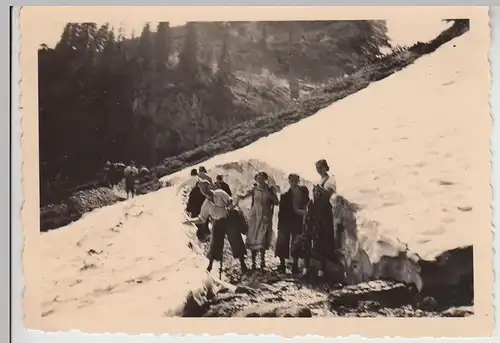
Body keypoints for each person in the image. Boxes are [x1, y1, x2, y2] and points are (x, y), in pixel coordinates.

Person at [183, 180, 248, 276]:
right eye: (201, 189)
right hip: (217, 222)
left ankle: (243, 264)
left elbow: (230, 201)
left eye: (205, 188)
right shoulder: (206, 204)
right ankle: (210, 267)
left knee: (235, 239)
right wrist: (189, 221)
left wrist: (229, 207)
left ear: (209, 187)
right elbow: (201, 219)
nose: (204, 191)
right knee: (214, 244)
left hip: (228, 218)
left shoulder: (220, 193)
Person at [302, 159, 337, 278]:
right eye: (317, 168)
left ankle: (322, 268)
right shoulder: (317, 180)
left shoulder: (331, 180)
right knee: (312, 235)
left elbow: (328, 194)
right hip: (316, 211)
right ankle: (310, 266)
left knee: (323, 236)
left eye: (320, 167)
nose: (319, 170)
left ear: (326, 168)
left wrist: (320, 189)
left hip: (324, 212)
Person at [237, 171, 279, 270]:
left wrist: (270, 195)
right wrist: (239, 195)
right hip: (255, 216)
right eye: (257, 178)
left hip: (265, 216)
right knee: (253, 236)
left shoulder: (270, 189)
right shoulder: (254, 189)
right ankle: (253, 262)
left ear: (265, 179)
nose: (259, 179)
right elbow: (244, 196)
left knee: (262, 237)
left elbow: (276, 202)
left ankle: (262, 261)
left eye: (261, 177)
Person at [275, 173, 310, 274]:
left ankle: (295, 265)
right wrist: (280, 226)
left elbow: (307, 202)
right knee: (282, 242)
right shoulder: (285, 196)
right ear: (289, 181)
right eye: (292, 181)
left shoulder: (303, 191)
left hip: (298, 221)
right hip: (286, 221)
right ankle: (282, 264)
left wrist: (304, 212)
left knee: (296, 243)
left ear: (298, 180)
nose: (294, 183)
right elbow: (281, 212)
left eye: (296, 181)